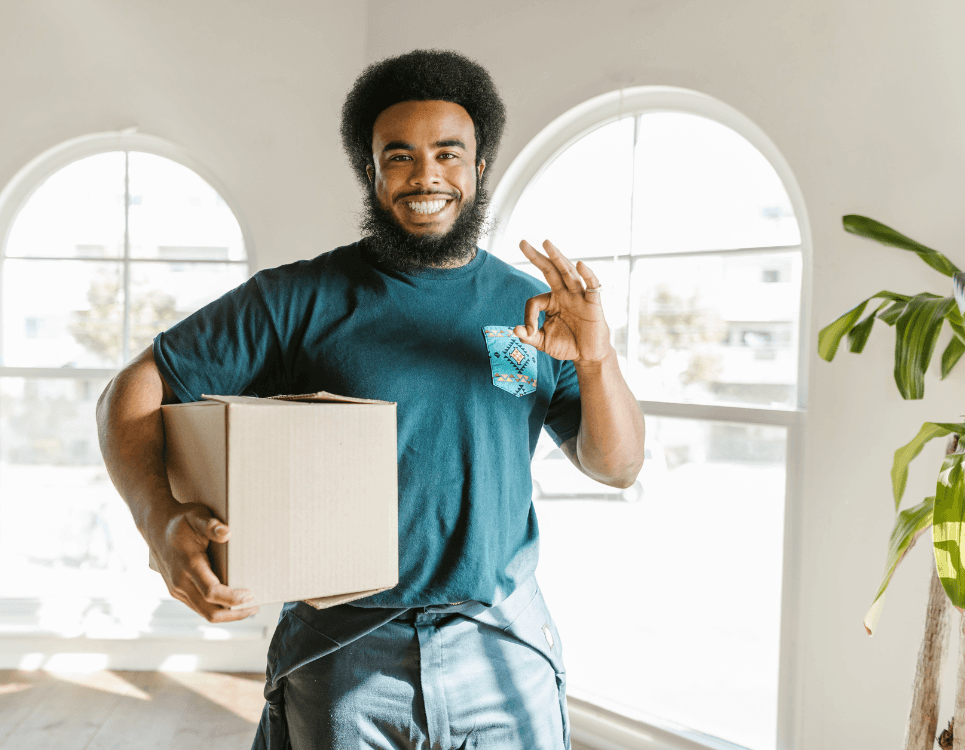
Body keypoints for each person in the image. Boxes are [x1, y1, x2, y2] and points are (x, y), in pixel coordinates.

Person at [97, 48, 644, 750]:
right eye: (399, 156)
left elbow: (618, 465)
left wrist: (596, 359)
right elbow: (133, 388)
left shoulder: (533, 308)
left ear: (478, 170)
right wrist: (159, 522)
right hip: (344, 648)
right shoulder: (297, 299)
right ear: (371, 171)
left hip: (501, 638)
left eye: (449, 154)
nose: (427, 177)